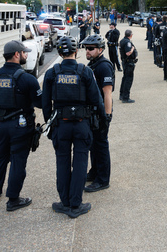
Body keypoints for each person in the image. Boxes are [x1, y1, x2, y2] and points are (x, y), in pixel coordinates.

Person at [42, 36, 105, 218]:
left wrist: (50, 122)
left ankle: (65, 202)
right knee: (80, 163)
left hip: (60, 124)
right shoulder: (84, 71)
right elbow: (97, 100)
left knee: (62, 162)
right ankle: (76, 204)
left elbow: (45, 103)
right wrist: (102, 120)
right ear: (76, 52)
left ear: (60, 53)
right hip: (81, 124)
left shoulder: (52, 73)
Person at [0, 40, 42, 211]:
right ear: (16, 55)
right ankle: (13, 200)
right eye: (24, 53)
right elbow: (40, 103)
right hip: (20, 126)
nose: (26, 55)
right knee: (17, 161)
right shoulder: (28, 79)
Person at [82, 34, 115, 192]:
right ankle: (94, 172)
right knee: (93, 145)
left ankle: (102, 179)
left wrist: (106, 116)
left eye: (90, 48)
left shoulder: (103, 66)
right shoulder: (93, 64)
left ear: (100, 49)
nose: (87, 51)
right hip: (92, 112)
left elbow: (107, 93)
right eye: (86, 48)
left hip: (101, 113)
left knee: (101, 145)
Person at [119, 29, 137, 103]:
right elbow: (128, 53)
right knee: (128, 80)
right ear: (131, 35)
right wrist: (133, 49)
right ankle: (126, 97)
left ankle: (122, 94)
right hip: (128, 62)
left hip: (125, 62)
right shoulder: (127, 42)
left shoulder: (122, 40)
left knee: (125, 78)